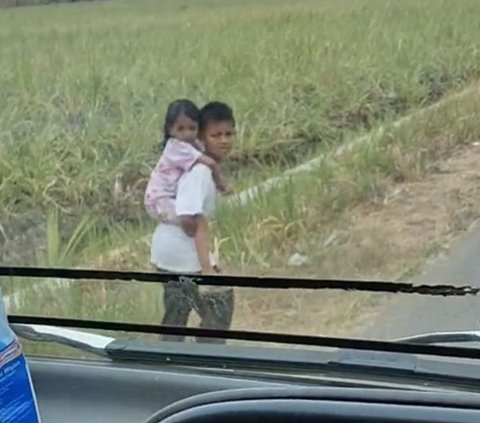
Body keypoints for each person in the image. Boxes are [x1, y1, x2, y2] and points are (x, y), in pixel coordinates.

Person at [149, 101, 236, 343]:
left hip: (171, 253)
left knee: (176, 316)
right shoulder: (199, 174)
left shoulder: (198, 167)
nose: (224, 141)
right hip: (180, 257)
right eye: (215, 135)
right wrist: (207, 268)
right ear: (201, 137)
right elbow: (194, 222)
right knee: (218, 308)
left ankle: (173, 363)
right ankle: (206, 363)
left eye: (229, 134)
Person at [144, 99, 231, 224]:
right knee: (190, 220)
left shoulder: (192, 144)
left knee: (199, 213)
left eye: (192, 128)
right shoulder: (176, 147)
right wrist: (221, 184)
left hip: (172, 196)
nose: (187, 134)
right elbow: (210, 163)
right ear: (170, 130)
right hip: (160, 200)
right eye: (181, 129)